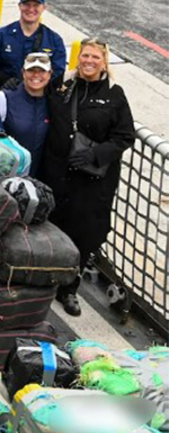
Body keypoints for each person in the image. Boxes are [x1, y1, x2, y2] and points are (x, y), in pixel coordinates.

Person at [41, 38, 134, 315]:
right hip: (58, 174)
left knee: (84, 234)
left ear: (104, 62)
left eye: (95, 57)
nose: (89, 61)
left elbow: (125, 136)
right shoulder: (63, 85)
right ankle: (44, 282)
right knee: (53, 226)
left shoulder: (115, 95)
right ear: (78, 57)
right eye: (85, 56)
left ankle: (69, 288)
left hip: (92, 182)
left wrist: (97, 154)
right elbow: (39, 92)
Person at [0, 0, 66, 88]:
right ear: (19, 6)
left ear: (44, 7)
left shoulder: (54, 40)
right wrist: (7, 83)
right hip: (6, 94)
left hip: (40, 99)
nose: (31, 9)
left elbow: (57, 75)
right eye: (27, 5)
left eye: (36, 5)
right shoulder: (2, 36)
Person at [0, 52, 53, 174]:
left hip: (40, 177)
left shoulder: (54, 102)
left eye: (41, 71)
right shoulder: (3, 98)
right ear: (23, 72)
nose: (36, 75)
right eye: (31, 70)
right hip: (7, 176)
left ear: (49, 74)